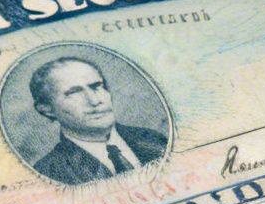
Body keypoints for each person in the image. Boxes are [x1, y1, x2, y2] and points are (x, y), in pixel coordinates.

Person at [26, 56, 166, 184]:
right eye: (74, 93)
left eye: (96, 87)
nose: (94, 101)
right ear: (46, 109)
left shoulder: (153, 139)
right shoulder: (47, 173)